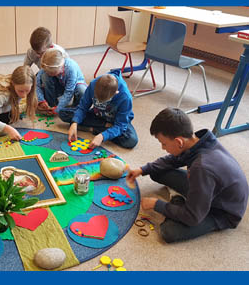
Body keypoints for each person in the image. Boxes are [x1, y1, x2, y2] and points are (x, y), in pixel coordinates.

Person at [126, 108, 248, 243]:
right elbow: (173, 160)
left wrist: (157, 204)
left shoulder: (202, 168)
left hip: (222, 211)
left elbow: (193, 217)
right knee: (155, 171)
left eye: (164, 143)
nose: (162, 147)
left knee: (169, 232)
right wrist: (142, 169)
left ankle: (179, 201)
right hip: (208, 187)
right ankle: (186, 203)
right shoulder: (198, 141)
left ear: (179, 142)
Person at [60, 70, 138, 149]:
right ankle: (103, 127)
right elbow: (83, 107)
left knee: (131, 140)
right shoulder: (93, 84)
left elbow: (121, 125)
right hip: (97, 116)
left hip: (115, 121)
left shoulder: (125, 97)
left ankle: (95, 129)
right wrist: (75, 122)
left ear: (116, 93)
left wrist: (103, 136)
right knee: (63, 113)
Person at [36, 49, 87, 116]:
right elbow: (37, 85)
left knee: (82, 90)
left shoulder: (71, 68)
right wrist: (41, 100)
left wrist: (58, 108)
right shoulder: (47, 66)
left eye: (51, 73)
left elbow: (69, 92)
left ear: (60, 67)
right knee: (45, 76)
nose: (48, 73)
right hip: (60, 84)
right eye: (47, 71)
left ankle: (76, 108)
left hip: (74, 86)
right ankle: (51, 104)